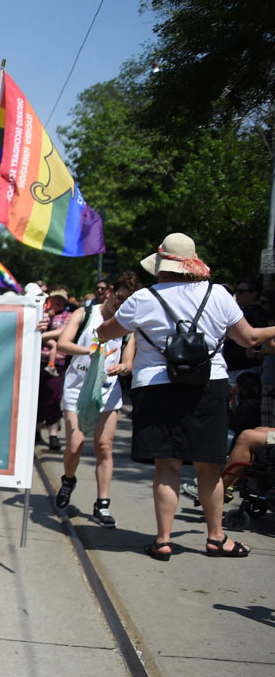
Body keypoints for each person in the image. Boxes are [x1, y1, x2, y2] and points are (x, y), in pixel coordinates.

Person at [94, 233, 275, 560]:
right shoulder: (218, 294)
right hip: (209, 385)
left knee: (166, 466)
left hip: (155, 387)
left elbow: (105, 332)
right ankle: (216, 538)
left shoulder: (143, 298)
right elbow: (249, 338)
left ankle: (163, 540)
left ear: (161, 267)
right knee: (209, 467)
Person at [53, 272, 140, 526]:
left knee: (104, 446)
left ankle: (102, 504)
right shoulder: (84, 314)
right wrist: (88, 351)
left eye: (127, 302)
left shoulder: (127, 327)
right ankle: (68, 480)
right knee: (75, 445)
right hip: (77, 388)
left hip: (107, 391)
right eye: (120, 298)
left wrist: (122, 368)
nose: (121, 305)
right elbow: (63, 343)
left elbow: (128, 363)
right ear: (111, 292)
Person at [38, 287, 72, 451]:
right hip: (38, 360)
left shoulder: (68, 316)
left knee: (54, 398)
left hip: (57, 363)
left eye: (61, 300)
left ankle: (53, 434)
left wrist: (41, 336)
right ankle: (36, 431)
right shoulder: (43, 313)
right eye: (55, 299)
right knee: (37, 398)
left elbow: (63, 332)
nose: (57, 302)